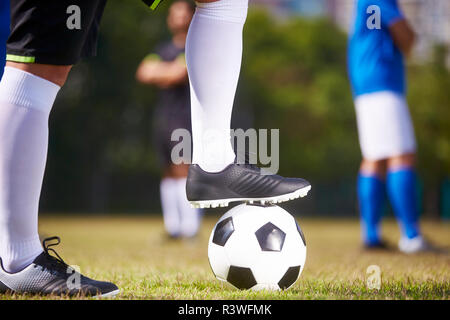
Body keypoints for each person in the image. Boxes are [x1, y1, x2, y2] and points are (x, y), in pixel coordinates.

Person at [0, 0, 310, 296]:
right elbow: (149, 71)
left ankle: (214, 164)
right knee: (36, 69)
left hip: (178, 122)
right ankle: (18, 259)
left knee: (45, 68)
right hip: (167, 122)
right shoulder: (162, 51)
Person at [348, 0, 427, 253]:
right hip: (382, 79)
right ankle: (412, 237)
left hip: (366, 81)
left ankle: (371, 235)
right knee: (400, 154)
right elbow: (406, 38)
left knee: (375, 156)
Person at [136, 1, 202, 239]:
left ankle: (190, 228)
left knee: (183, 169)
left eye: (182, 13)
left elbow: (179, 73)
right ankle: (173, 227)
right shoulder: (162, 49)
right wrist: (167, 72)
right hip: (164, 118)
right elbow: (143, 71)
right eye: (173, 13)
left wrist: (162, 73)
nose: (178, 17)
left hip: (185, 118)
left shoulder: (194, 47)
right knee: (166, 171)